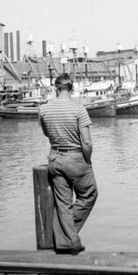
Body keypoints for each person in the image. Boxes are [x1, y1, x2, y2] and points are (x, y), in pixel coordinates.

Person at [39, 73, 98, 255]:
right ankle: (66, 236)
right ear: (71, 89)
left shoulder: (44, 109)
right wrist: (86, 160)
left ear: (56, 88)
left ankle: (69, 240)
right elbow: (87, 142)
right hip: (76, 158)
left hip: (55, 158)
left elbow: (47, 134)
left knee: (63, 204)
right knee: (89, 194)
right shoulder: (79, 109)